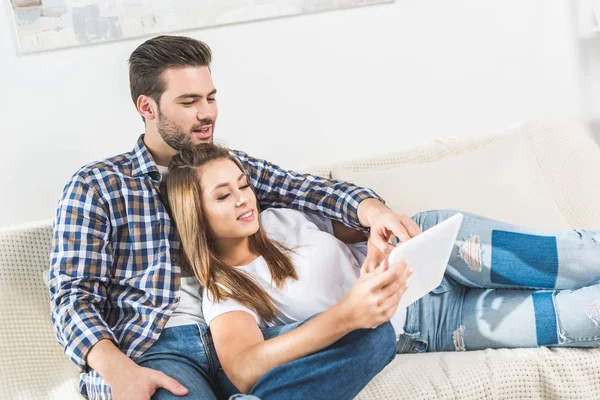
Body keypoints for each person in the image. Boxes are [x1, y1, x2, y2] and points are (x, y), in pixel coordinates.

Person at [48, 35, 420, 400]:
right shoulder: (97, 186)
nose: (207, 112)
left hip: (250, 334)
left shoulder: (225, 166)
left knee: (372, 334)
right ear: (147, 107)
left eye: (210, 98)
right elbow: (72, 297)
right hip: (165, 347)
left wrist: (375, 212)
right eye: (189, 101)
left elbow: (306, 189)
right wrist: (121, 372)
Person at [166, 143, 600, 398]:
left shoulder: (280, 218)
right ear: (195, 214)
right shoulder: (223, 289)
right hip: (427, 325)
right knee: (583, 317)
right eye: (224, 196)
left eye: (243, 185)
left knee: (579, 258)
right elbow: (243, 367)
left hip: (433, 251)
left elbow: (357, 224)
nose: (244, 200)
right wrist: (349, 313)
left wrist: (375, 231)